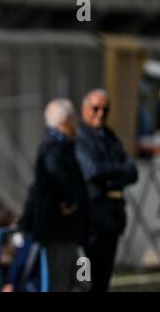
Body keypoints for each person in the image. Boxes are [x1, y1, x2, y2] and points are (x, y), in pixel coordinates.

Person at [76, 89, 138, 292]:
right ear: (85, 109)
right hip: (92, 218)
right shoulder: (80, 136)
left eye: (105, 109)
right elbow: (92, 171)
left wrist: (109, 174)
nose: (100, 114)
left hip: (112, 217)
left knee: (103, 277)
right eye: (95, 108)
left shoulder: (110, 137)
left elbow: (132, 171)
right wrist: (117, 173)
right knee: (86, 278)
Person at [29, 99, 89, 291]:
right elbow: (56, 171)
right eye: (74, 118)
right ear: (66, 120)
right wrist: (70, 198)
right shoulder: (53, 145)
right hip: (58, 230)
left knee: (80, 281)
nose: (76, 123)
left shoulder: (61, 145)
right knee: (61, 282)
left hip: (68, 231)